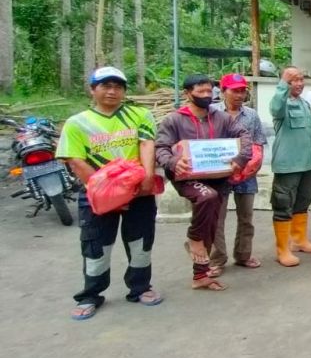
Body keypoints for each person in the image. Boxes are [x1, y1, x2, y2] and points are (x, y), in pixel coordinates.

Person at [57, 66, 161, 320]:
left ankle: (139, 287)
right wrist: (107, 193)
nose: (112, 91)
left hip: (139, 193)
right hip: (97, 195)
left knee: (140, 243)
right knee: (96, 246)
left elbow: (146, 143)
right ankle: (91, 294)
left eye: (118, 87)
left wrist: (147, 177)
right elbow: (76, 160)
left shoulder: (140, 115)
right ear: (93, 90)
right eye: (105, 86)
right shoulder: (77, 123)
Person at [155, 74, 251, 292]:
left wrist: (241, 158)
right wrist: (172, 162)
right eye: (201, 92)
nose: (207, 96)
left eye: (210, 92)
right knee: (207, 197)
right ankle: (193, 238)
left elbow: (244, 135)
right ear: (187, 94)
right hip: (188, 177)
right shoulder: (174, 120)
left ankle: (200, 275)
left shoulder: (221, 118)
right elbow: (161, 147)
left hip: (218, 177)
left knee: (212, 223)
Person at [209, 73, 267, 274]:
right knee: (217, 218)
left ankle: (243, 254)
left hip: (246, 173)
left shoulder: (251, 115)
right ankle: (216, 260)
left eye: (243, 91)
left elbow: (258, 142)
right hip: (219, 174)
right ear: (223, 91)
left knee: (246, 216)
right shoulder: (210, 113)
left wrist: (254, 166)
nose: (239, 95)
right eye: (235, 90)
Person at [269, 66, 311, 267]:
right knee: (283, 204)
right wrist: (283, 82)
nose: (299, 83)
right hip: (287, 165)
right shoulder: (281, 103)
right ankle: (282, 249)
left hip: (306, 164)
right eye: (294, 80)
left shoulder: (302, 103)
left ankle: (299, 240)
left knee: (303, 200)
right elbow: (275, 108)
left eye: (301, 79)